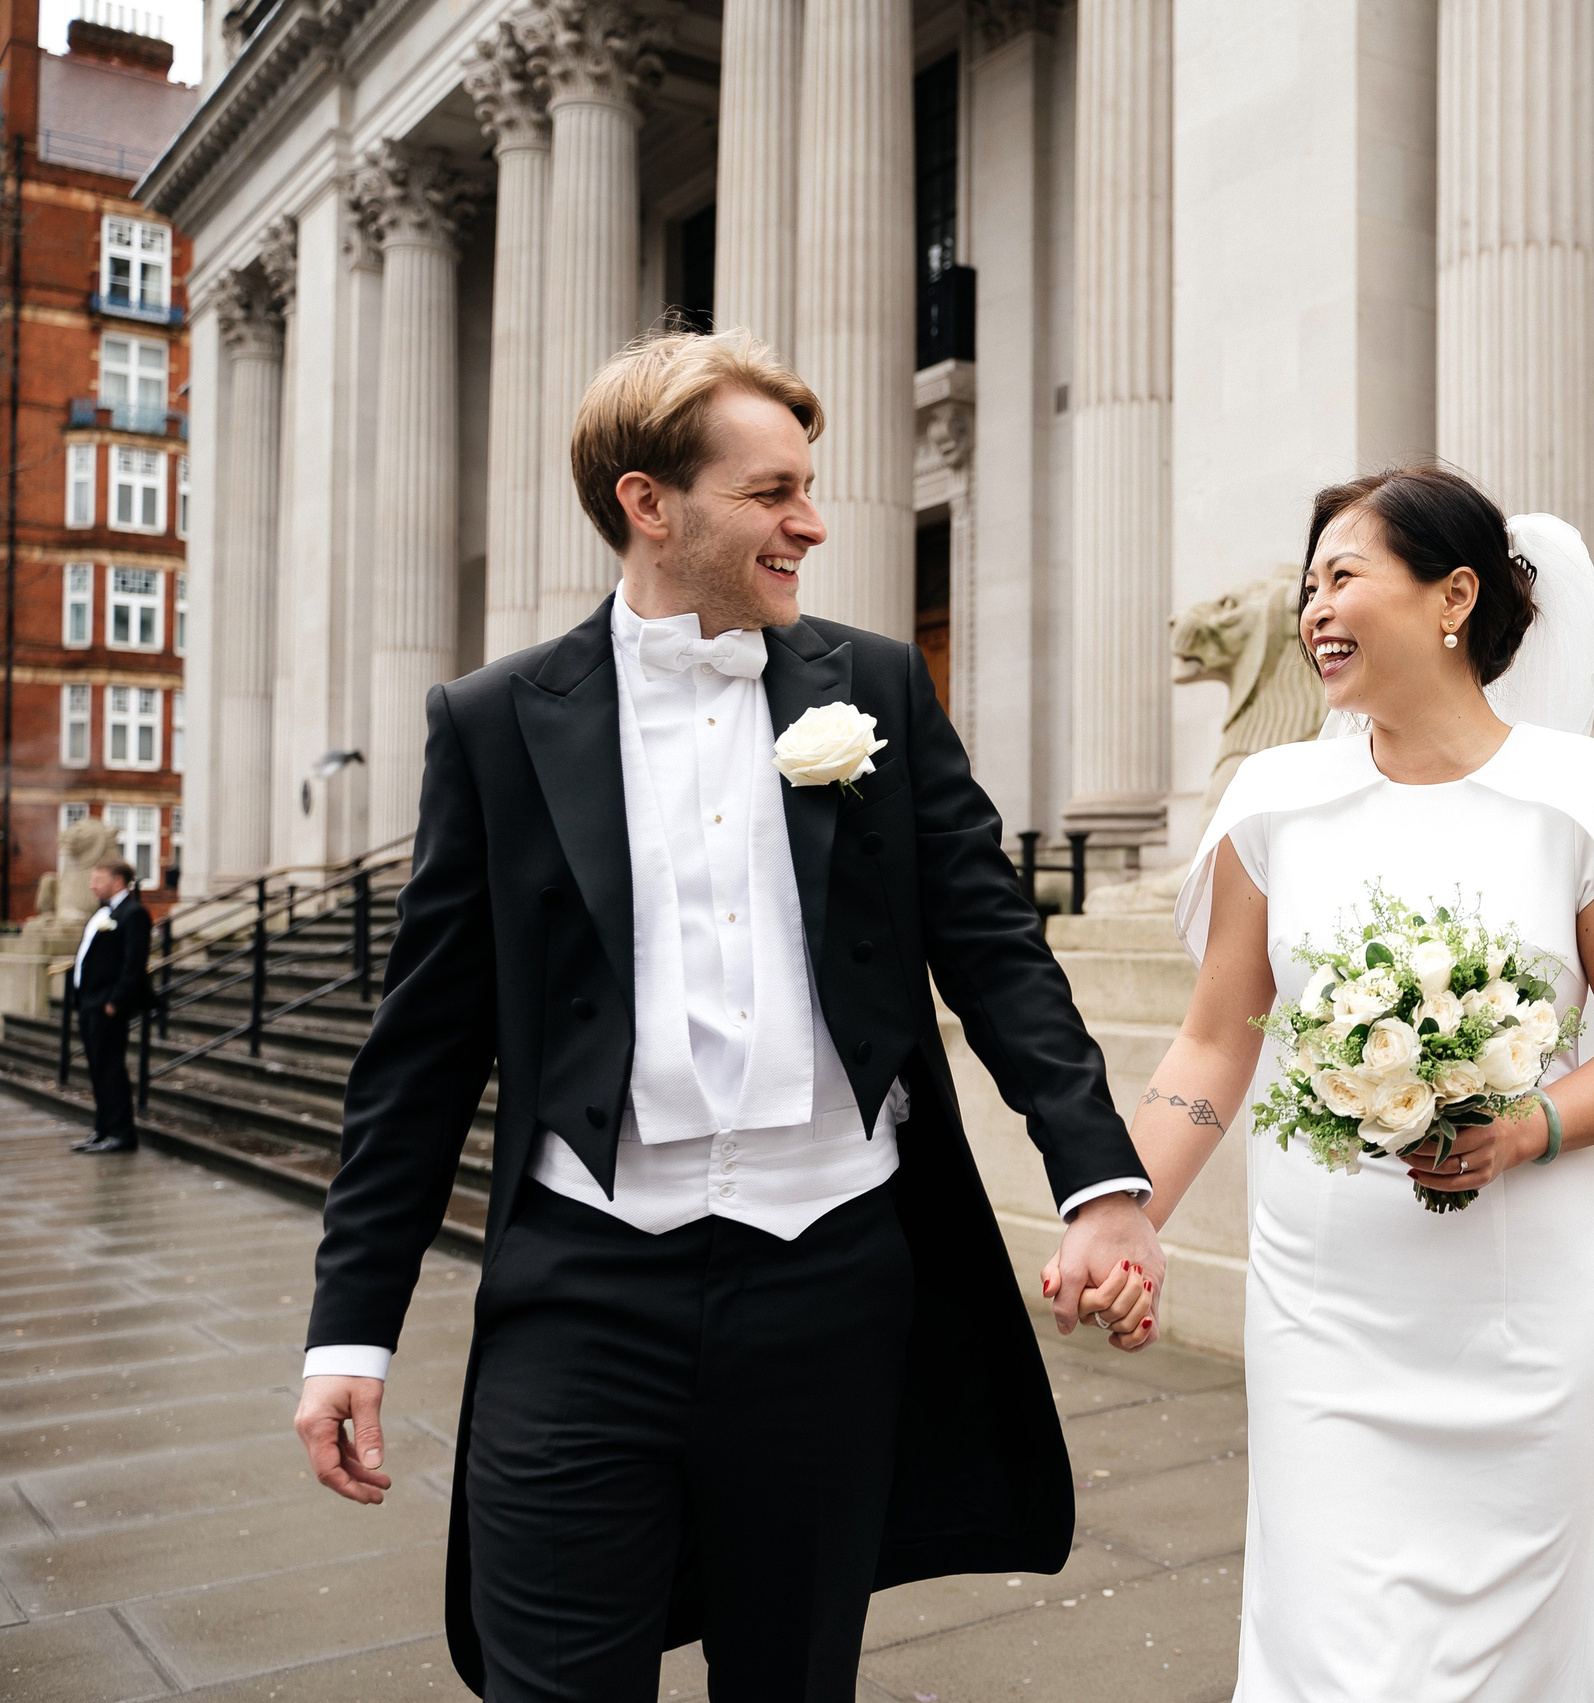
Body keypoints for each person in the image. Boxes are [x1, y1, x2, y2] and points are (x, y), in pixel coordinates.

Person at [291, 328, 1164, 1702]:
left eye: (806, 486)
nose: (813, 520)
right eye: (773, 492)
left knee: (793, 1679)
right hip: (583, 1287)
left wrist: (1099, 1178)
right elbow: (422, 1049)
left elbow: (995, 944)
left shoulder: (872, 685)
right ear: (649, 503)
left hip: (831, 1281)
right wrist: (352, 1328)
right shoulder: (496, 719)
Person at [1049, 464, 1594, 1700]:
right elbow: (1215, 1040)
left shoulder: (1589, 795)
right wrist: (1119, 1209)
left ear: (1454, 595)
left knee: (1498, 1658)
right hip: (1325, 1313)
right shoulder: (1274, 798)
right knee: (1331, 1650)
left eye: (1343, 575)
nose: (1314, 610)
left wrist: (1527, 1123)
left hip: (1519, 1316)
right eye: (1307, 585)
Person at [70, 857, 151, 1155]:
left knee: (111, 1070)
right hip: (89, 1002)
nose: (92, 884)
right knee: (97, 1069)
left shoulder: (133, 913)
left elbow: (134, 964)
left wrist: (115, 1003)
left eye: (98, 879)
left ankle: (122, 1134)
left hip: (107, 1005)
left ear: (117, 881)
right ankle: (102, 1129)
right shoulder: (104, 912)